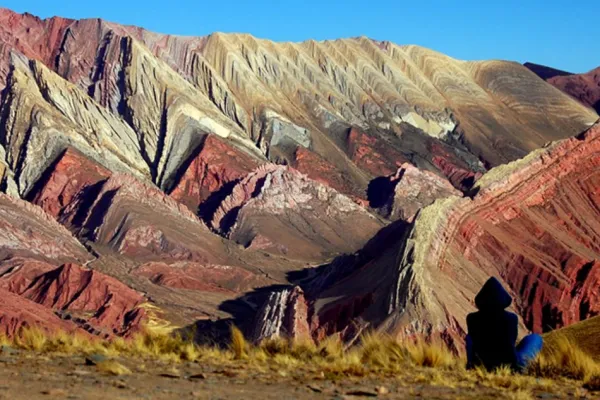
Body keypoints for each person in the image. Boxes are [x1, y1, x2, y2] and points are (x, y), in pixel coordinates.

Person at [466, 277, 543, 372]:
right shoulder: (511, 318)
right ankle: (521, 368)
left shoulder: (471, 318)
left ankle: (471, 365)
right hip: (510, 365)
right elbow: (511, 342)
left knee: (469, 338)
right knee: (535, 338)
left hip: (483, 364)